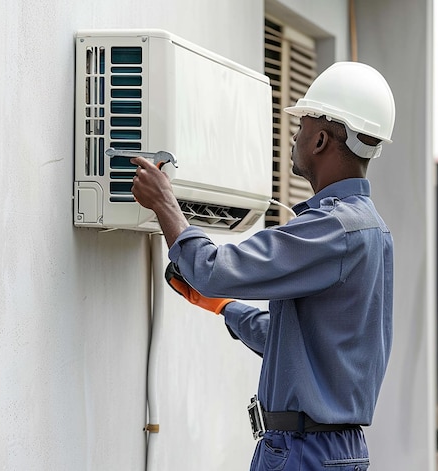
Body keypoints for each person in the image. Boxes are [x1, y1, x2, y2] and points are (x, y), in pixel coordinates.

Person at [131, 61, 395, 471]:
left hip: (304, 450)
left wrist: (165, 203)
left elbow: (212, 268)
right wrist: (223, 308)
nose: (294, 136)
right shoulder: (369, 230)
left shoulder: (333, 229)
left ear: (321, 139)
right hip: (323, 449)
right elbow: (296, 344)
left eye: (301, 126)